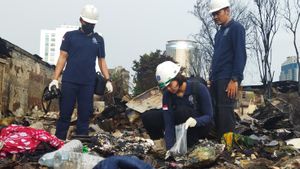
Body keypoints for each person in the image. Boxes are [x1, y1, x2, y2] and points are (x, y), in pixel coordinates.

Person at [48, 4, 113, 140]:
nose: (90, 25)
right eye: (87, 23)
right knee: (65, 115)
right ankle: (57, 143)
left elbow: (102, 61)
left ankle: (81, 145)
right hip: (70, 81)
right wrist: (55, 78)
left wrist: (108, 79)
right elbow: (62, 58)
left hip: (88, 84)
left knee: (84, 116)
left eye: (92, 24)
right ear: (81, 20)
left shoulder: (99, 40)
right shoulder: (70, 36)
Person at [141, 61, 213, 152]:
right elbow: (168, 122)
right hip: (179, 123)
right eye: (166, 87)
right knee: (149, 117)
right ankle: (161, 144)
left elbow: (209, 116)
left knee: (182, 112)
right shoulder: (168, 95)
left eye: (170, 85)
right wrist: (170, 148)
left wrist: (196, 121)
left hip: (199, 125)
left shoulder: (199, 88)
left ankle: (190, 145)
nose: (169, 89)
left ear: (177, 78)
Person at [208, 0, 247, 139]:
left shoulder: (237, 28)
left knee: (225, 112)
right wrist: (211, 77)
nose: (215, 17)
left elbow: (240, 54)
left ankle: (227, 147)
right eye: (213, 15)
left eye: (217, 13)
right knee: (215, 111)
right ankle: (218, 143)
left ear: (227, 10)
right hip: (216, 79)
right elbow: (217, 57)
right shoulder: (219, 34)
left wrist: (235, 79)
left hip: (227, 78)